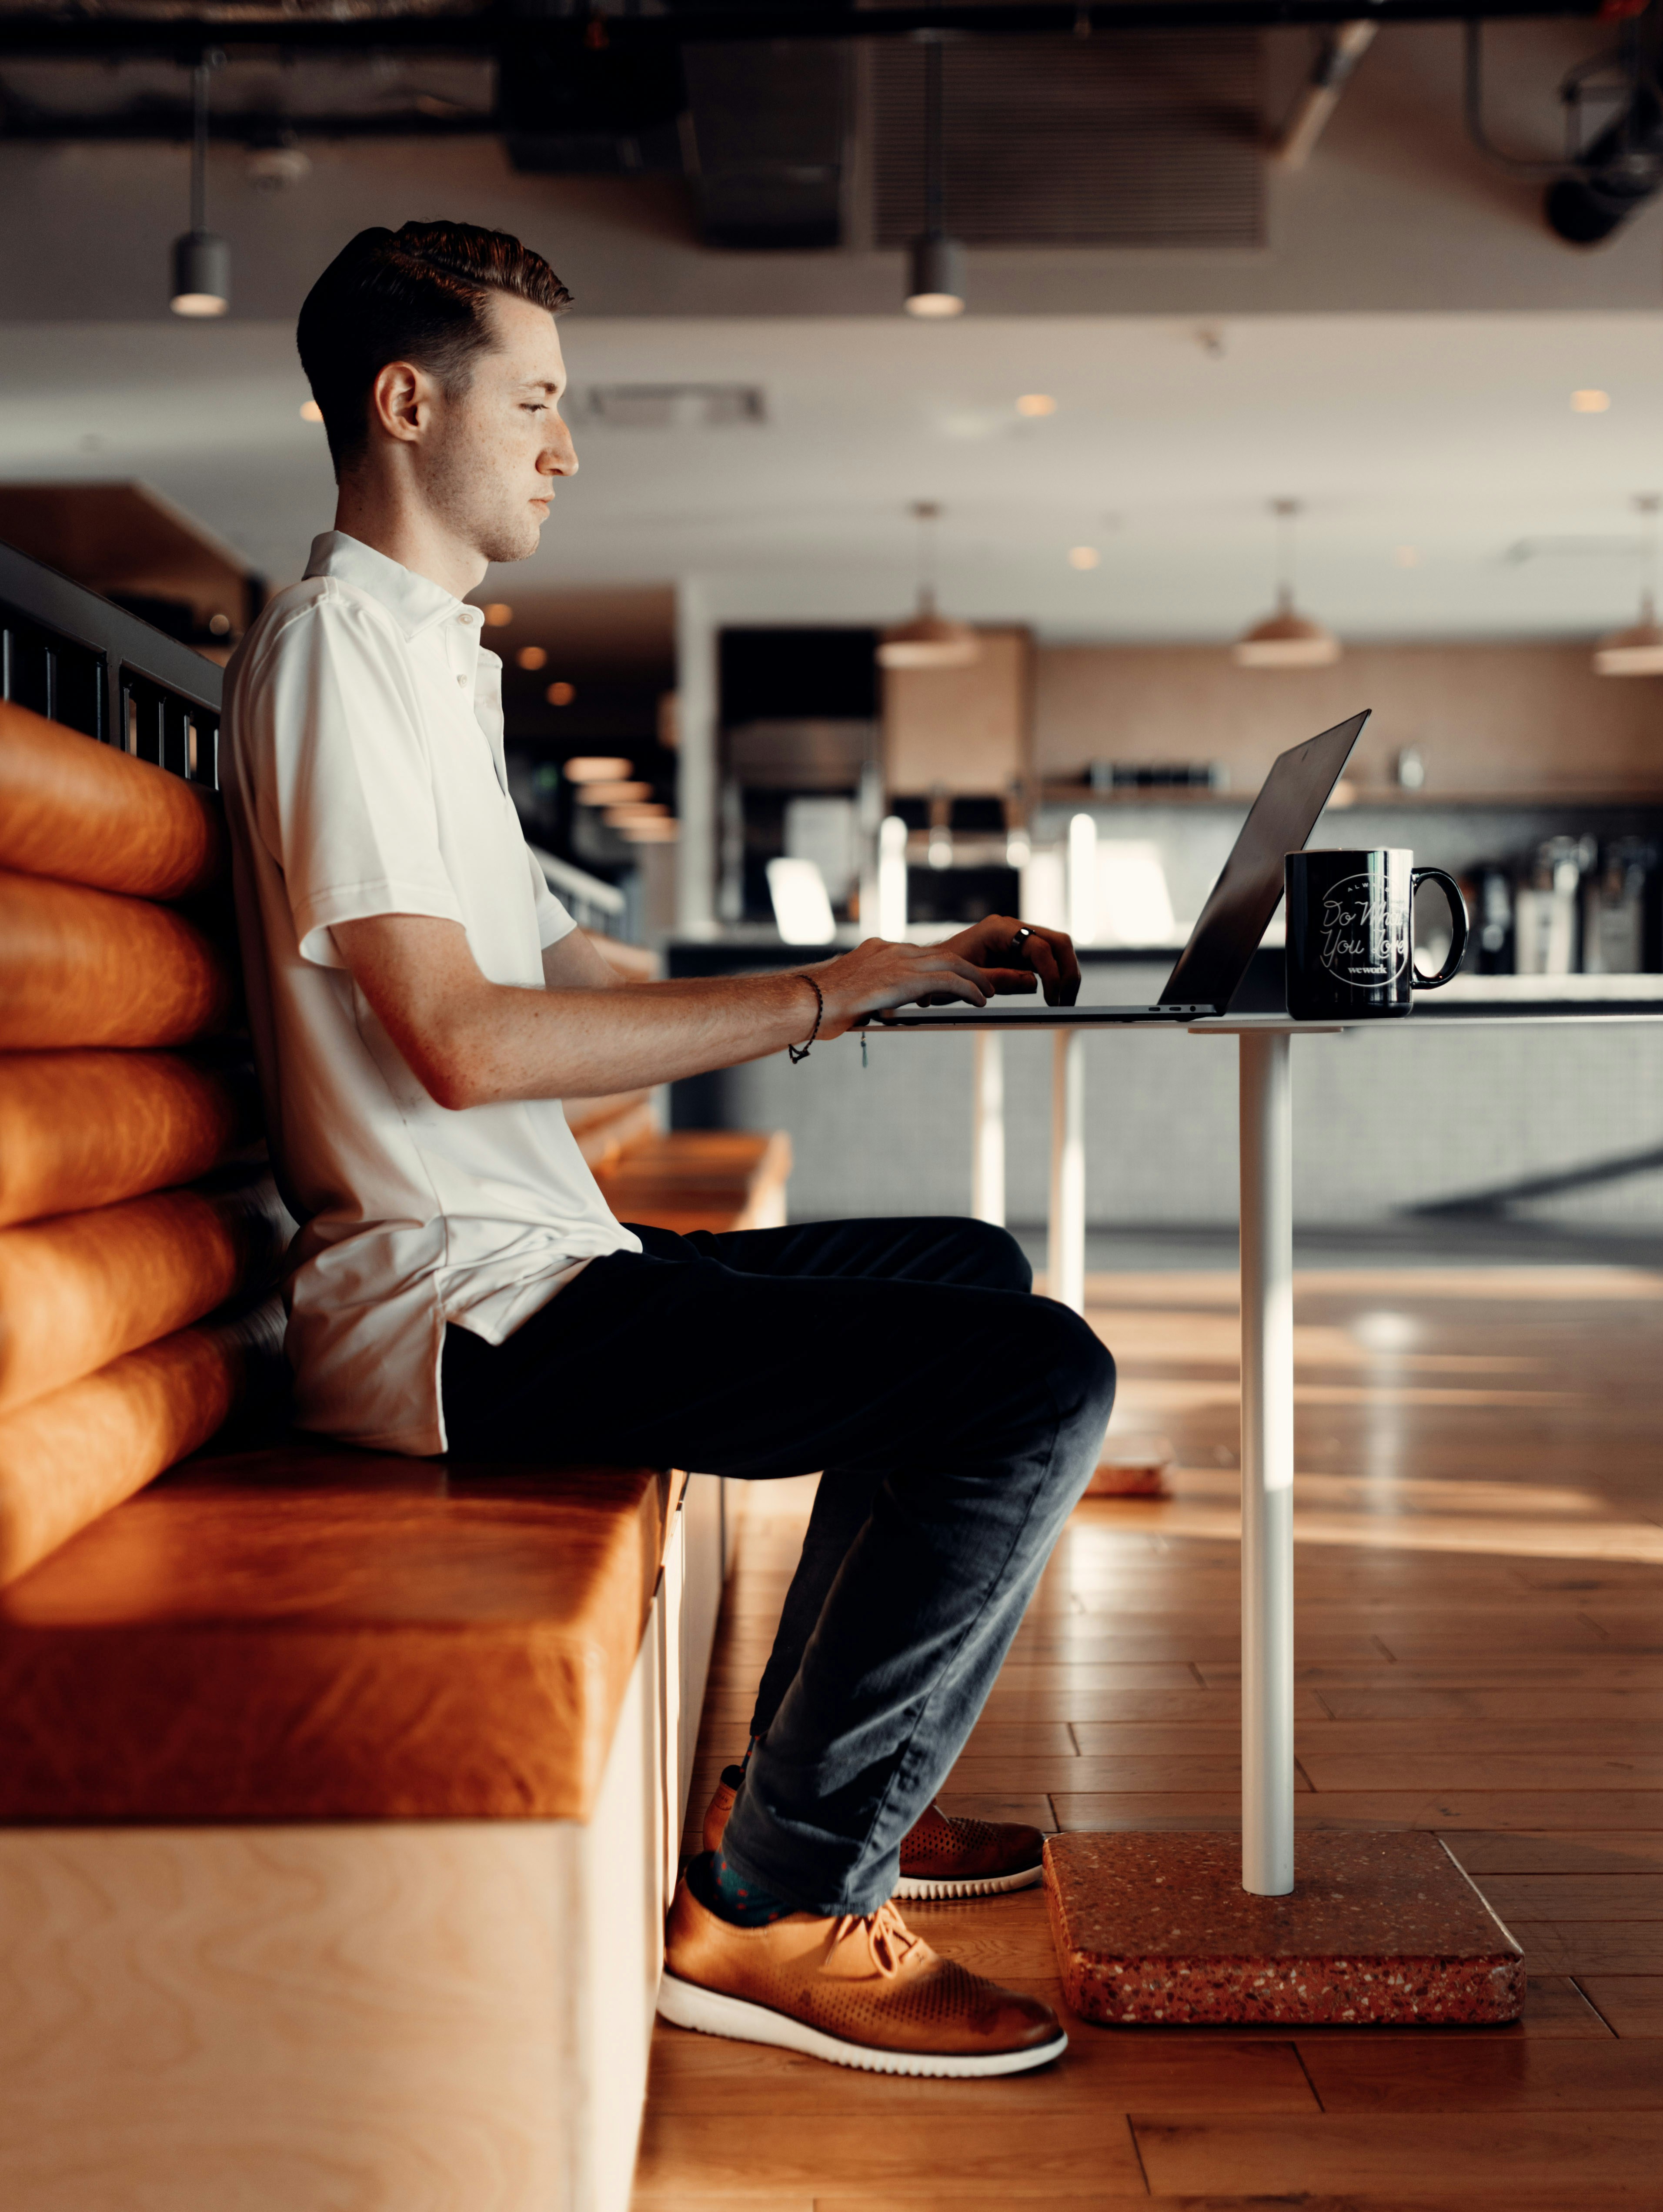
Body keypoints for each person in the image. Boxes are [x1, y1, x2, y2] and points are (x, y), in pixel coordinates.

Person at [222, 221, 1115, 2082]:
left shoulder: (426, 661)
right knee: (1033, 1382)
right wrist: (818, 995)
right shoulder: (330, 657)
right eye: (535, 402)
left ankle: (798, 1793)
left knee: (966, 1276)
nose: (564, 447)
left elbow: (565, 967)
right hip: (458, 1319)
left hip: (550, 1268)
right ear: (406, 402)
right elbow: (460, 1042)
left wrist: (898, 965)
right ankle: (778, 1902)